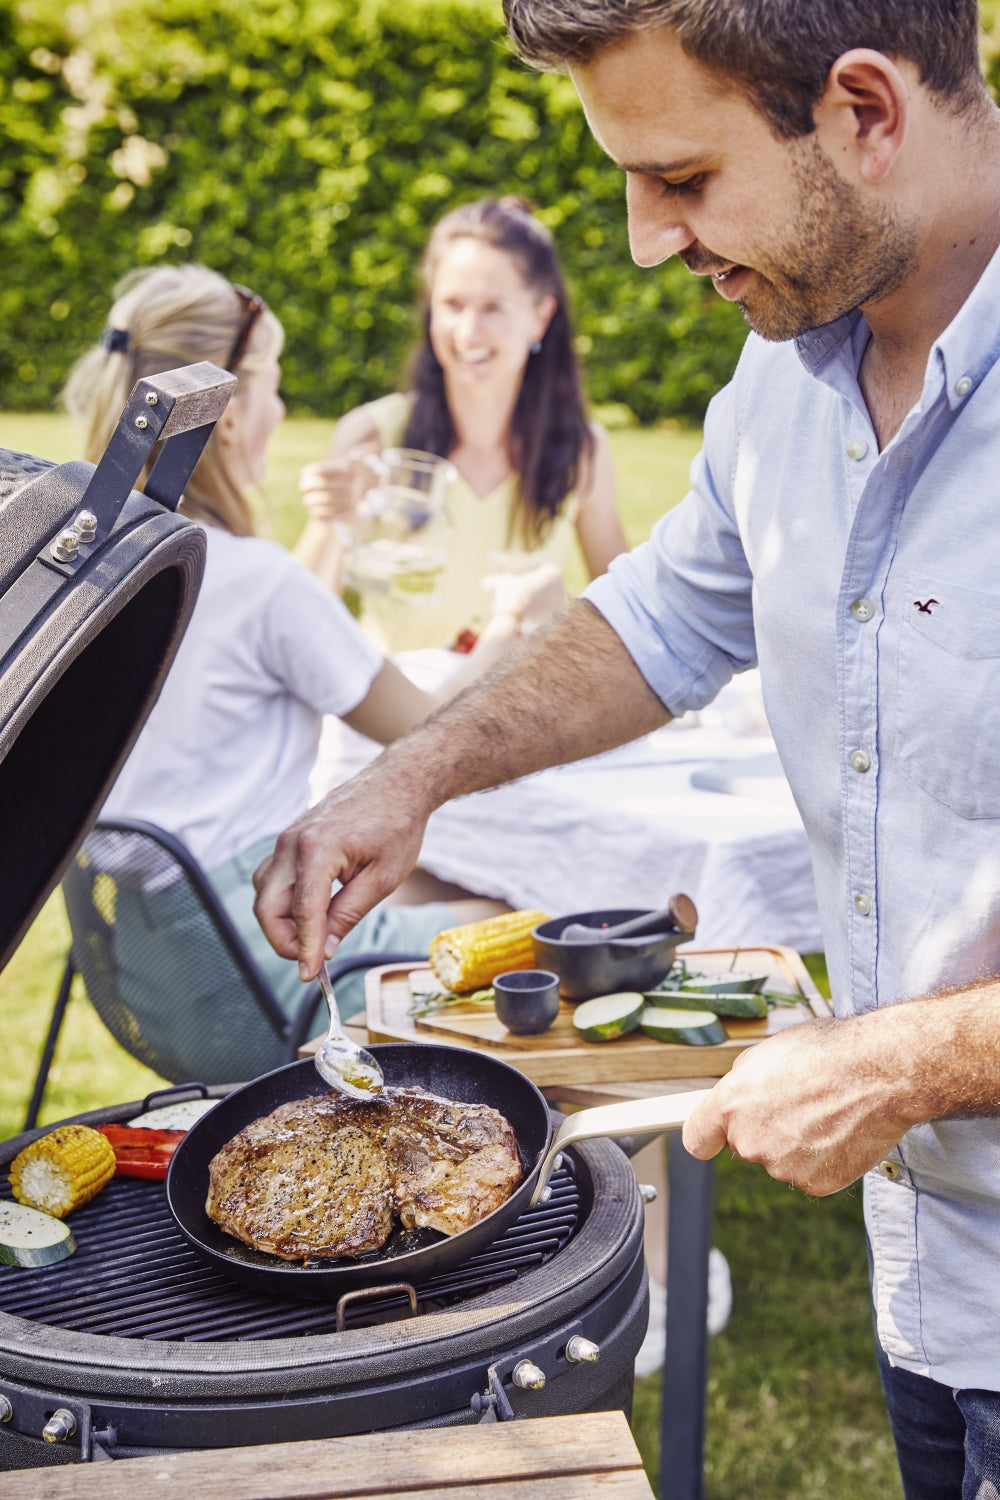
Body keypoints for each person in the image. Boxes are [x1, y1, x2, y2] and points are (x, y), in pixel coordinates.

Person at [253, 3, 1000, 1493]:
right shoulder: (785, 383)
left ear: (864, 111)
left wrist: (903, 1061)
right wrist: (416, 773)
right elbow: (654, 619)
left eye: (681, 179)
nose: (648, 241)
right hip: (942, 1274)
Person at [63, 263, 510, 1028]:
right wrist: (507, 626)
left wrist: (332, 525)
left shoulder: (85, 555)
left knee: (429, 881)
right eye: (271, 383)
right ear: (230, 415)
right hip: (265, 980)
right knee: (531, 919)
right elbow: (434, 732)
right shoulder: (259, 583)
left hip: (150, 976)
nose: (282, 406)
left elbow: (274, 628)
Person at [295, 196, 628, 651]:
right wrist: (330, 521)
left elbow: (624, 615)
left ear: (540, 317)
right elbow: (298, 618)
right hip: (391, 712)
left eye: (493, 307)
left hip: (513, 712)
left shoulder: (582, 450)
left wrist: (562, 611)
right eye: (452, 304)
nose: (468, 332)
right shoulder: (372, 436)